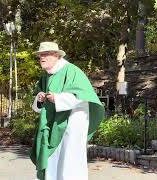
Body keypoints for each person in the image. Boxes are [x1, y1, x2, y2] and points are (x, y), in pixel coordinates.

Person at [30, 41, 105, 180]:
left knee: (69, 161)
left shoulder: (72, 71)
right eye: (40, 55)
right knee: (53, 159)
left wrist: (57, 98)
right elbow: (38, 105)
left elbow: (82, 96)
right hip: (54, 124)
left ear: (57, 56)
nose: (42, 58)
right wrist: (39, 99)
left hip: (72, 123)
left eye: (46, 54)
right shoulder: (46, 76)